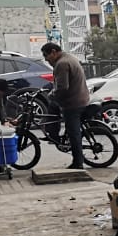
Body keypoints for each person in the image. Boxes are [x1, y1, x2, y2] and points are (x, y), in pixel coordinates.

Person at [41, 41, 89, 169]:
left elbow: (62, 87)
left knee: (74, 133)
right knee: (53, 108)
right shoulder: (69, 58)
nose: (46, 59)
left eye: (46, 55)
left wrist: (51, 95)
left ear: (53, 52)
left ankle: (78, 163)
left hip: (73, 103)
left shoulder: (61, 64)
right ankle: (54, 135)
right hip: (81, 98)